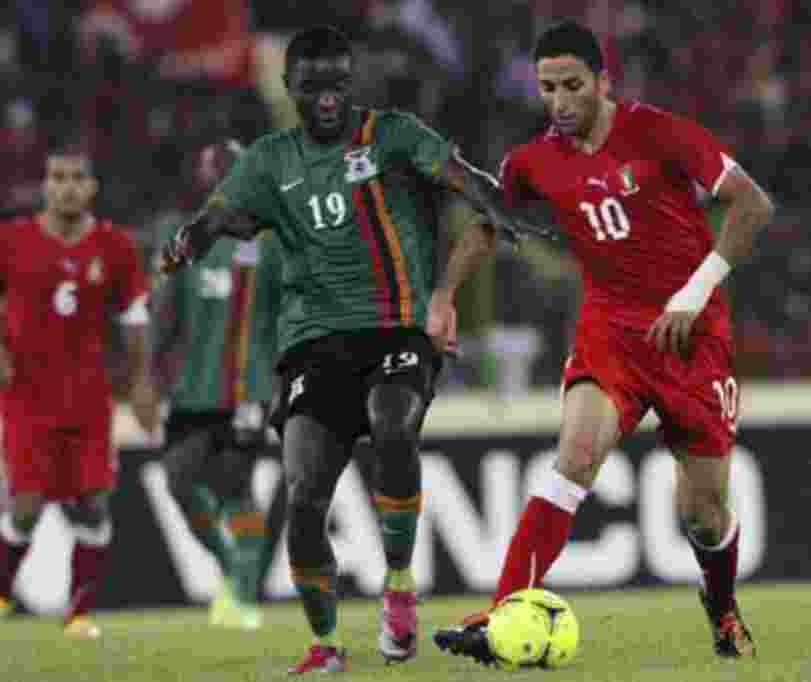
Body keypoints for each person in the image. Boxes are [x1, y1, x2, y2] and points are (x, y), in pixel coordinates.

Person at [157, 25, 556, 674]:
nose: (327, 99)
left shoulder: (392, 134)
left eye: (337, 85)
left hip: (396, 329)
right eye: (312, 87)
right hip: (313, 344)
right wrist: (189, 240)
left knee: (393, 424)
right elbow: (218, 217)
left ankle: (398, 582)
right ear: (290, 89)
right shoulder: (268, 161)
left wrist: (501, 209)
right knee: (306, 498)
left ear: (352, 83)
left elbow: (462, 175)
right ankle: (326, 645)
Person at [432, 21, 775, 661]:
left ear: (603, 82)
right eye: (546, 88)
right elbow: (488, 225)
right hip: (610, 333)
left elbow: (752, 204)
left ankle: (723, 609)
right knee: (575, 458)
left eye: (572, 86)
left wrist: (694, 293)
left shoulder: (659, 132)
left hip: (692, 337)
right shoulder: (533, 162)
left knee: (703, 511)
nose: (559, 102)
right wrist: (444, 297)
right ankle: (503, 615)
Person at [0, 148, 158, 638]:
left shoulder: (115, 246)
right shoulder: (11, 240)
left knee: (92, 503)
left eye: (76, 178)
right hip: (26, 394)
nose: (66, 186)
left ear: (92, 187)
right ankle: (2, 592)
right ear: (44, 184)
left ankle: (80, 613)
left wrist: (141, 382)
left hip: (89, 397)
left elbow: (133, 318)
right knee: (26, 505)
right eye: (57, 177)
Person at [151, 140, 282, 630]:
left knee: (235, 487)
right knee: (179, 482)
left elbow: (291, 312)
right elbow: (163, 312)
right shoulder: (182, 239)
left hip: (247, 389)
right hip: (192, 391)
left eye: (232, 170)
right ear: (201, 179)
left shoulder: (272, 241)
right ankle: (232, 568)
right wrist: (148, 376)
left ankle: (244, 596)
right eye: (215, 171)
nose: (222, 179)